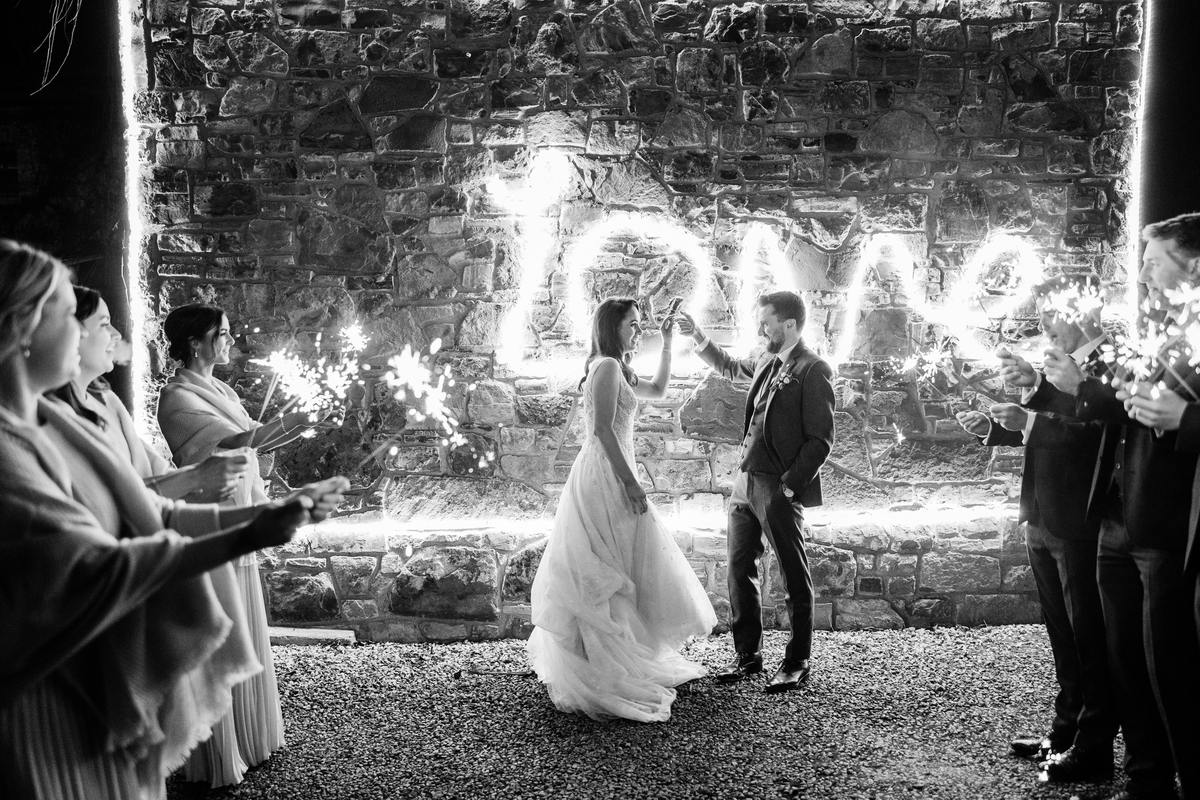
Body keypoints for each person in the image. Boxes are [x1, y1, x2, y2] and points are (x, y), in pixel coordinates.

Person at [0, 239, 321, 799]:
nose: (87, 335)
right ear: (18, 327)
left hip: (98, 692)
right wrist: (245, 533)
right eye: (64, 313)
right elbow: (96, 566)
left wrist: (266, 512)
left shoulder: (55, 419)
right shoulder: (9, 451)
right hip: (50, 703)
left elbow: (151, 511)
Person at [1043, 213, 1200, 800]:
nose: (1141, 274)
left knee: (1169, 671)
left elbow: (1176, 414)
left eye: (1154, 260)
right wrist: (1069, 385)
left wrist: (1188, 421)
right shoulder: (1163, 325)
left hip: (1161, 519)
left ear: (1194, 265)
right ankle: (1147, 777)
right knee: (1125, 663)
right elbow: (1118, 404)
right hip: (1117, 513)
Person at [156, 303, 330, 786]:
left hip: (238, 513)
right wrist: (280, 425)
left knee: (248, 625)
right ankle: (216, 752)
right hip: (212, 523)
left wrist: (288, 428)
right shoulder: (176, 398)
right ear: (196, 342)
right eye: (223, 334)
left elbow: (252, 448)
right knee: (224, 627)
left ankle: (253, 737)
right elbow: (227, 446)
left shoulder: (224, 389)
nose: (230, 341)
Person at [956, 276, 1117, 782]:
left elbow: (1094, 433)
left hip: (1080, 518)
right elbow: (1049, 421)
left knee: (1089, 634)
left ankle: (1094, 747)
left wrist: (1027, 420)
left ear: (1078, 311)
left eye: (1050, 313)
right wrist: (999, 427)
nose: (1043, 322)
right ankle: (1066, 731)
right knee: (1061, 633)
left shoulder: (1112, 361)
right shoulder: (1057, 362)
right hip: (1042, 511)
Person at [527, 297, 717, 722]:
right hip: (606, 475)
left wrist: (667, 343)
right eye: (632, 324)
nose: (637, 330)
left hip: (612, 469)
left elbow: (660, 390)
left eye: (639, 324)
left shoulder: (618, 368)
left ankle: (615, 654)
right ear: (612, 327)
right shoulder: (607, 367)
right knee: (605, 564)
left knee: (620, 560)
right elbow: (600, 430)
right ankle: (601, 661)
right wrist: (630, 482)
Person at [676, 290, 834, 693]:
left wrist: (788, 485)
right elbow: (730, 367)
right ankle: (748, 656)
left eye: (766, 321)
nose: (761, 328)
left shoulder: (814, 370)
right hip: (745, 483)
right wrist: (698, 337)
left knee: (793, 573)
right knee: (738, 567)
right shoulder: (767, 358)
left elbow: (820, 440)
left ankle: (797, 661)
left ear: (790, 324)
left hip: (777, 486)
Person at [53, 285, 246, 501]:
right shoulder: (54, 422)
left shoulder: (108, 401)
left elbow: (159, 470)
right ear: (67, 333)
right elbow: (117, 497)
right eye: (104, 324)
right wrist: (196, 480)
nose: (117, 335)